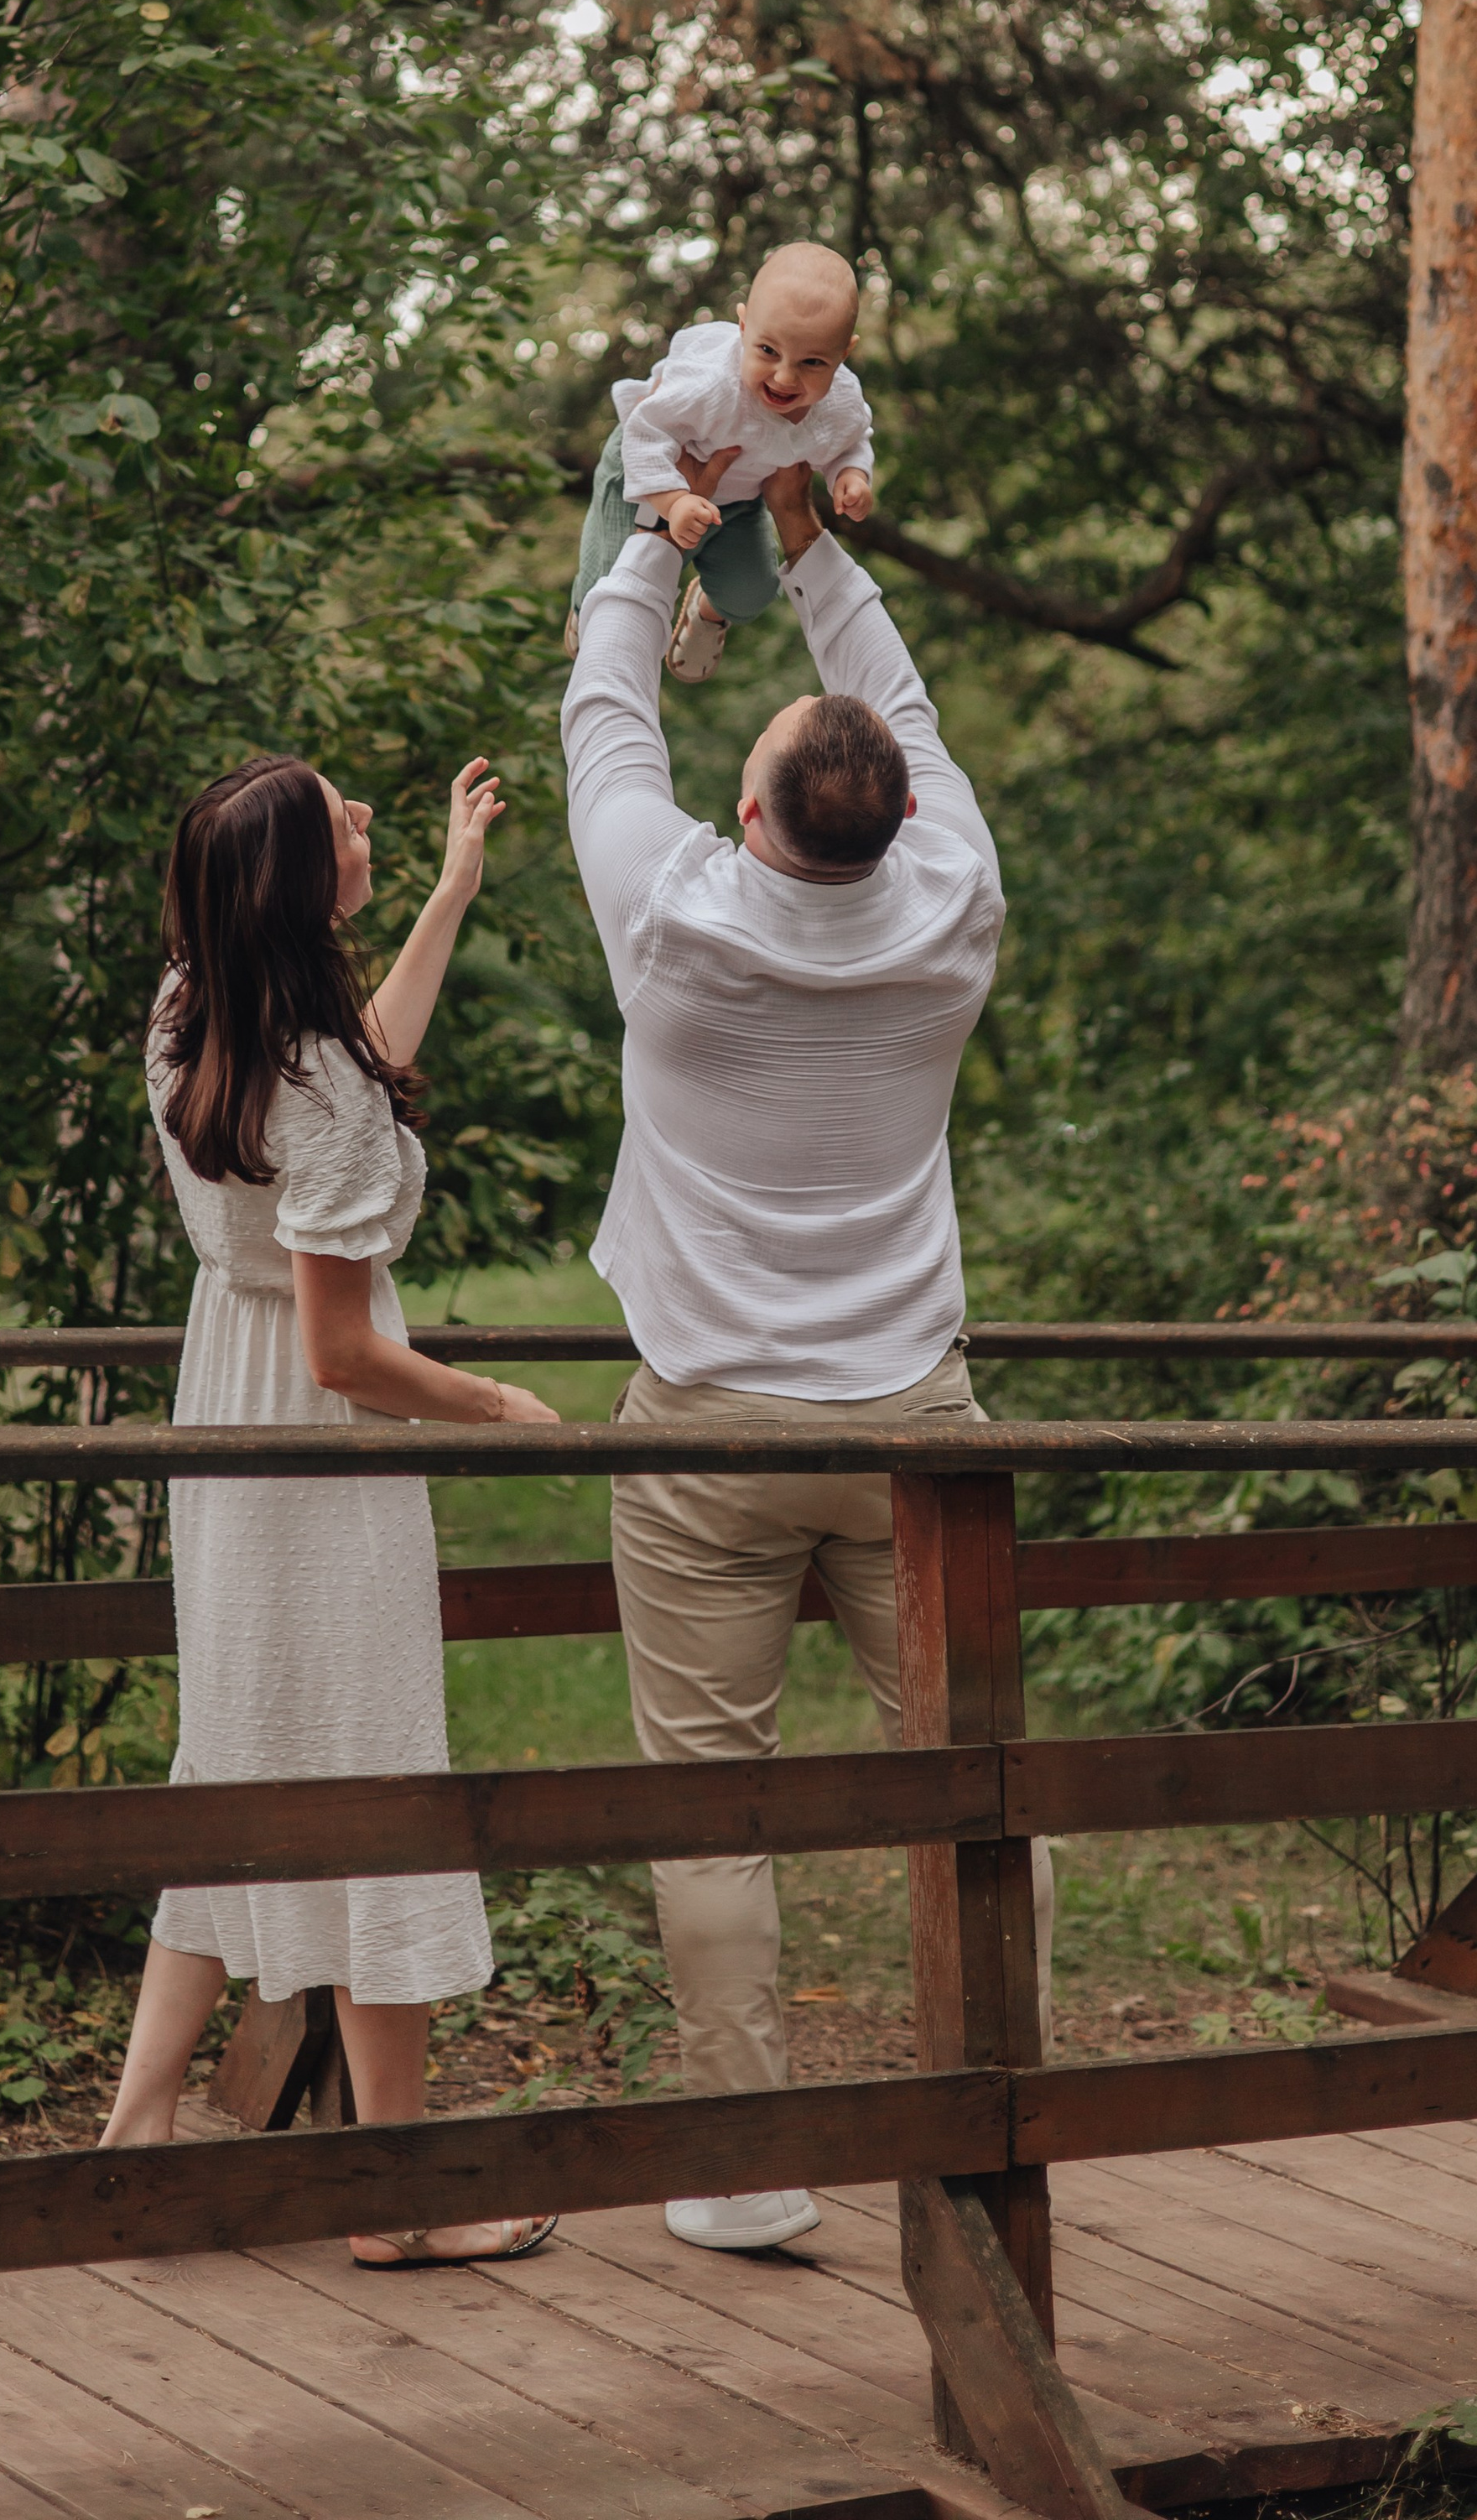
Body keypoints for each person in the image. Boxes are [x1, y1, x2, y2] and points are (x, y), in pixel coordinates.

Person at [561, 448, 1053, 2257]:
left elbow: (604, 706)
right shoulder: (953, 907)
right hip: (916, 1420)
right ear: (897, 814)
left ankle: (745, 2163)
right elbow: (896, 707)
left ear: (748, 821)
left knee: (711, 1806)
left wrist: (640, 527)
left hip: (704, 1429)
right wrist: (811, 547)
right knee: (976, 1781)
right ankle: (997, 2101)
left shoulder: (672, 914)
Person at [98, 748, 562, 2272]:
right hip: (316, 1432)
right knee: (374, 1778)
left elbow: (344, 1072)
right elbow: (349, 1349)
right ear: (303, 890)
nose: (366, 818)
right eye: (344, 820)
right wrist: (496, 1406)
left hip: (224, 1406)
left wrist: (447, 897)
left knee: (237, 1759)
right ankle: (399, 2194)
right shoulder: (318, 1081)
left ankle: (139, 2130)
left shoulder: (192, 1007)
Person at [567, 241, 876, 684]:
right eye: (768, 351)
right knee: (610, 592)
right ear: (744, 326)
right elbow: (644, 431)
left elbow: (851, 438)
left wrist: (851, 474)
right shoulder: (710, 385)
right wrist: (673, 502)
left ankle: (706, 611)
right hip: (655, 470)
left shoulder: (841, 400)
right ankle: (585, 610)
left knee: (753, 593)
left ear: (844, 354)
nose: (785, 378)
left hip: (739, 497)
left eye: (812, 362)